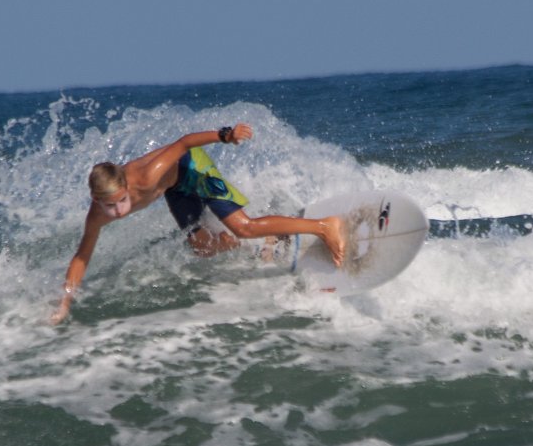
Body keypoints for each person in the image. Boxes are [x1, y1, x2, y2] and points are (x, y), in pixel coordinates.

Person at [50, 123, 345, 323]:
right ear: (95, 198)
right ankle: (268, 243)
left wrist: (225, 135)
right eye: (109, 205)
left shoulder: (149, 174)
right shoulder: (98, 213)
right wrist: (65, 302)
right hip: (175, 189)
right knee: (203, 248)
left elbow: (183, 143)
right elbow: (82, 256)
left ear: (127, 185)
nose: (117, 211)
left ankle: (324, 226)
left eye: (121, 201)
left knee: (243, 226)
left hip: (193, 168)